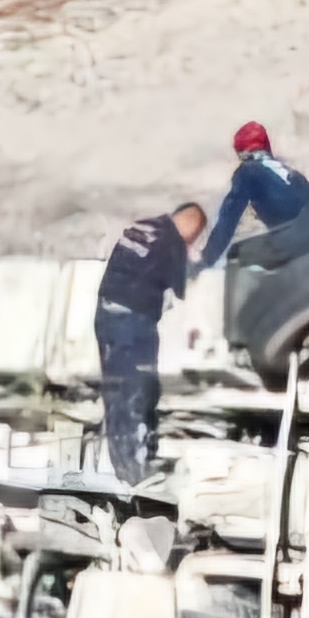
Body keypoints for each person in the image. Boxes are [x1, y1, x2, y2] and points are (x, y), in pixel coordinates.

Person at [96, 200, 207, 487]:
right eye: (195, 233)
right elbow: (180, 289)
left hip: (106, 312)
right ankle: (137, 470)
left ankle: (123, 466)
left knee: (116, 390)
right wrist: (192, 258)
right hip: (134, 318)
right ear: (189, 225)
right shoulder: (172, 240)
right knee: (138, 391)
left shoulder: (145, 225)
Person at [197, 121, 309, 273]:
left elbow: (227, 221)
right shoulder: (290, 172)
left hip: (295, 245)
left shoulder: (247, 172)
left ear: (240, 151)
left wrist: (205, 261)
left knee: (236, 254)